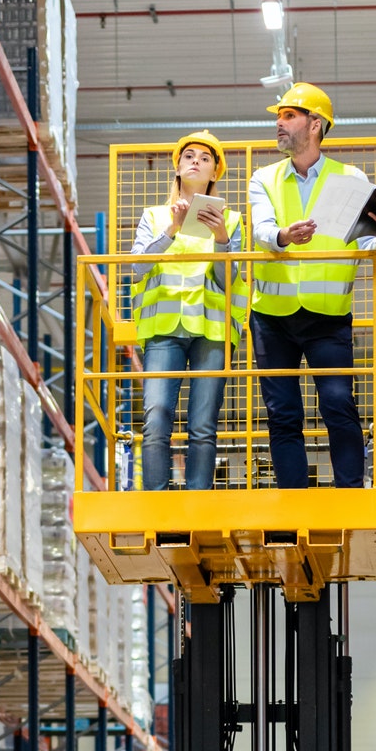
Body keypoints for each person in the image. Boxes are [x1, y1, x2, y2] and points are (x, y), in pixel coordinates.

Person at [248, 83, 376, 489]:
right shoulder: (264, 178)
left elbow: (367, 243)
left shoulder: (351, 179)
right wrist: (285, 236)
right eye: (279, 116)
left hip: (328, 318)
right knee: (282, 412)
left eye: (289, 116)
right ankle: (293, 501)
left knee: (339, 403)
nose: (279, 123)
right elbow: (261, 231)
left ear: (316, 125)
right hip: (272, 317)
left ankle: (349, 492)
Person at [129, 130, 246, 491]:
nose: (196, 160)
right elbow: (136, 267)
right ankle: (156, 504)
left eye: (205, 158)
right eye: (189, 155)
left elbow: (229, 282)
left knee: (203, 425)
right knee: (157, 417)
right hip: (164, 331)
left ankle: (198, 501)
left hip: (211, 332)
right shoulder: (154, 216)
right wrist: (171, 231)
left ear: (215, 173)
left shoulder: (231, 221)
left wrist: (223, 240)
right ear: (178, 168)